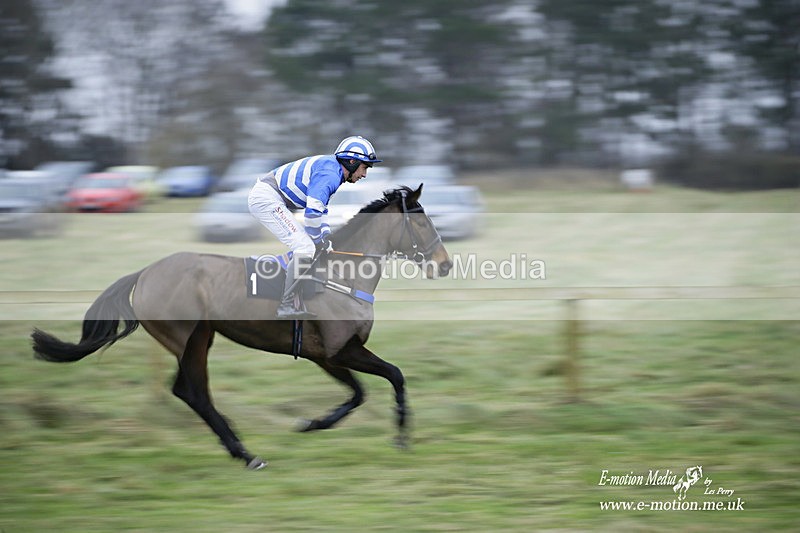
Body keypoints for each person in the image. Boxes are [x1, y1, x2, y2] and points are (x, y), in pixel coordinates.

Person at [248, 136, 382, 319]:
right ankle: (286, 305)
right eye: (364, 167)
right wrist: (319, 241)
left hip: (272, 197)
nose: (364, 174)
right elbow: (311, 215)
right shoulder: (330, 175)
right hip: (267, 199)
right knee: (305, 247)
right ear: (352, 162)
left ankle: (292, 290)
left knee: (308, 246)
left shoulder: (334, 172)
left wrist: (325, 237)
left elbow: (321, 211)